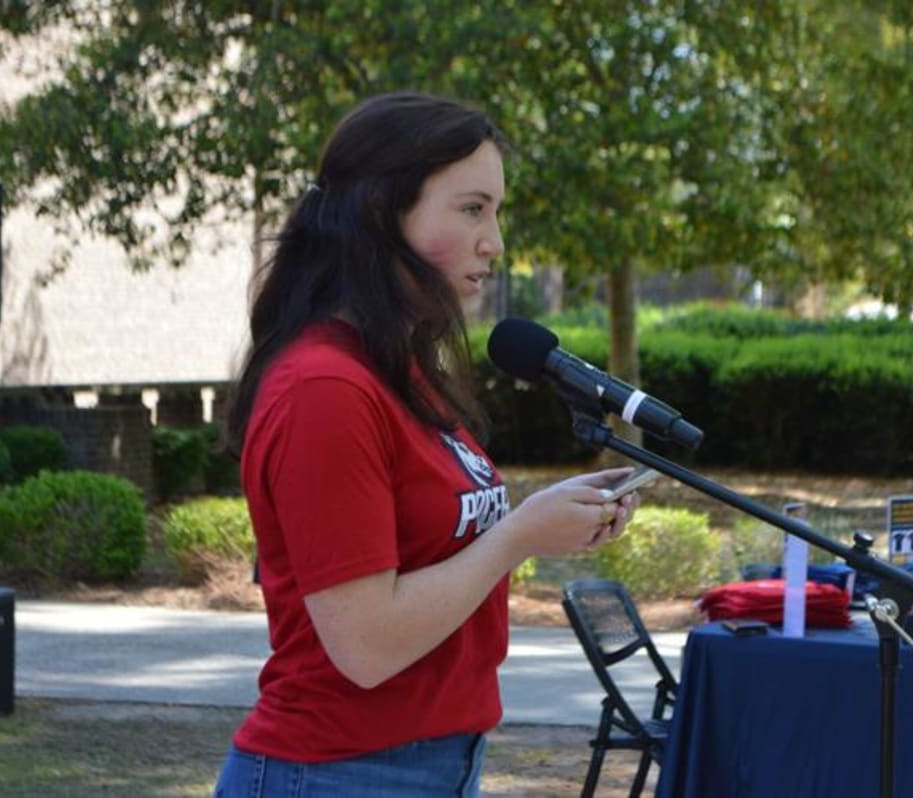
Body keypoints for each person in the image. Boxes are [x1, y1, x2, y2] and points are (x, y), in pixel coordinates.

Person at [214, 91, 639, 796]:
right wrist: (518, 537)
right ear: (385, 213)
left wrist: (543, 515)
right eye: (472, 209)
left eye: (495, 213)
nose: (494, 242)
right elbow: (367, 645)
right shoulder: (325, 387)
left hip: (439, 764)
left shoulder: (401, 370)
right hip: (337, 776)